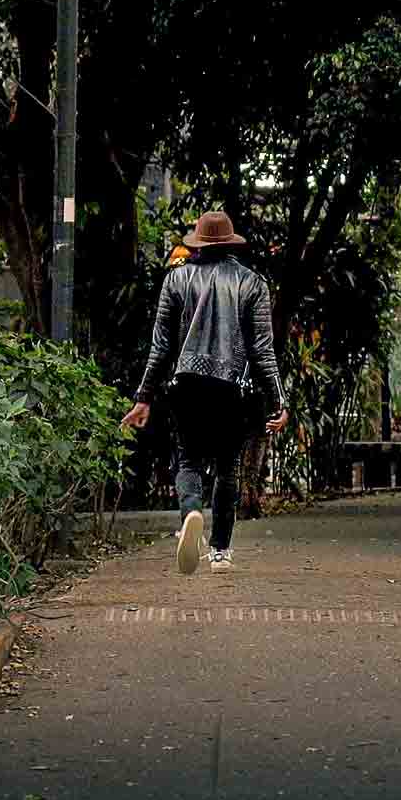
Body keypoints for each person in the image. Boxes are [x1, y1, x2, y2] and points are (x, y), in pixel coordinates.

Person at [121, 211, 288, 573]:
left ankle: (191, 511)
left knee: (187, 460)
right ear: (230, 243)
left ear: (197, 241)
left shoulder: (176, 280)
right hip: (233, 387)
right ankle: (220, 551)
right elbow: (262, 348)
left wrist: (144, 397)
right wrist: (278, 400)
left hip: (186, 385)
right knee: (228, 468)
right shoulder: (252, 283)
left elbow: (161, 346)